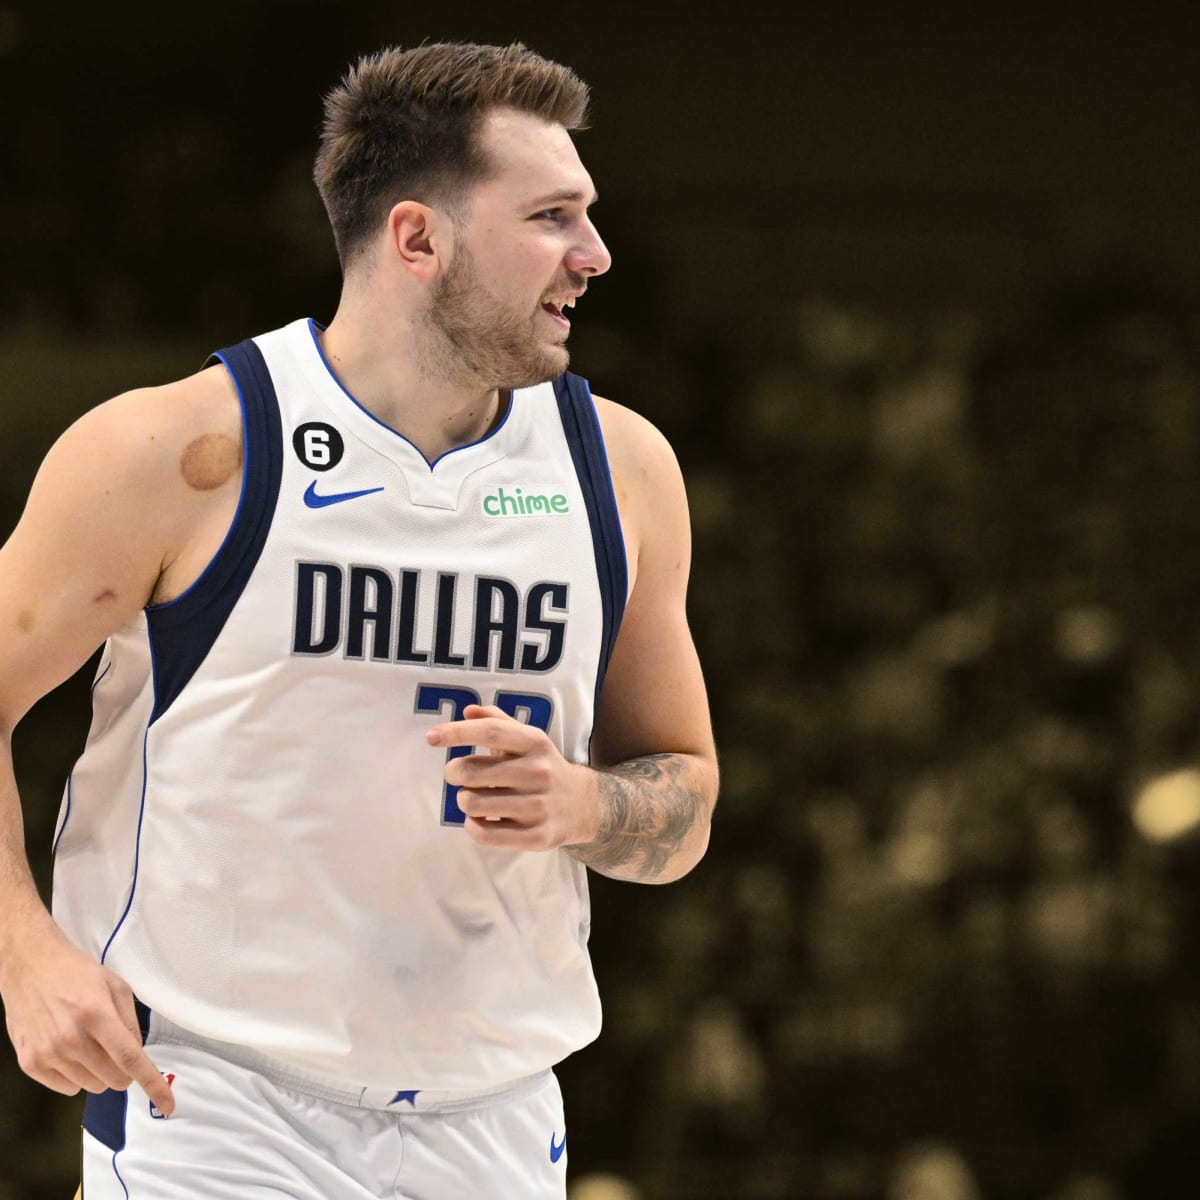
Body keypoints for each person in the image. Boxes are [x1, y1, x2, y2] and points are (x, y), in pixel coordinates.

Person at [0, 41, 718, 1200]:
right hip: (217, 1100)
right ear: (418, 240)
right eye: (551, 217)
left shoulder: (620, 471)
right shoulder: (186, 450)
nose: (596, 255)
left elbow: (683, 802)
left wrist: (584, 803)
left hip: (496, 1110)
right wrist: (21, 952)